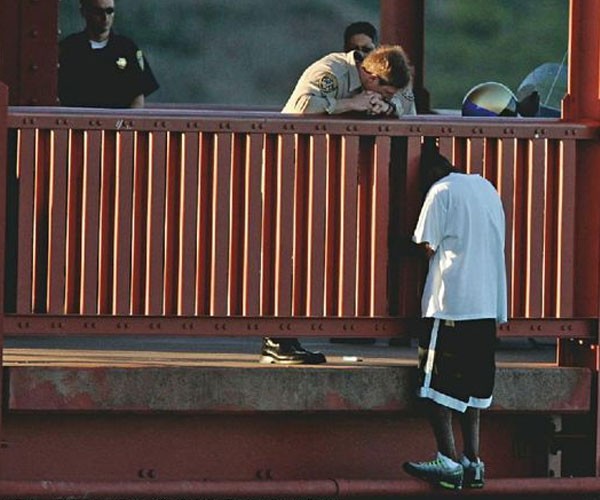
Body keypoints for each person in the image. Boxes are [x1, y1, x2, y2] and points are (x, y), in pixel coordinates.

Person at [402, 142, 507, 490]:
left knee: (437, 388)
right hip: (488, 305)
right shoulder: (486, 187)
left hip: (451, 305)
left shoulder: (440, 190)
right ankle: (472, 461)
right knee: (473, 392)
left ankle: (447, 461)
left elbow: (426, 244)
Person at [58, 0, 159, 108]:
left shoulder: (128, 49)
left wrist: (128, 123)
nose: (105, 17)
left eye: (109, 11)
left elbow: (138, 97)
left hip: (118, 123)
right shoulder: (68, 49)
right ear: (84, 12)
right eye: (98, 11)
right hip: (76, 122)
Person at [282, 44, 416, 117]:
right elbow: (302, 106)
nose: (387, 97)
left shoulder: (383, 83)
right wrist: (351, 103)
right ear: (372, 78)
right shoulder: (332, 72)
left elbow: (408, 108)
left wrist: (388, 108)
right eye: (386, 93)